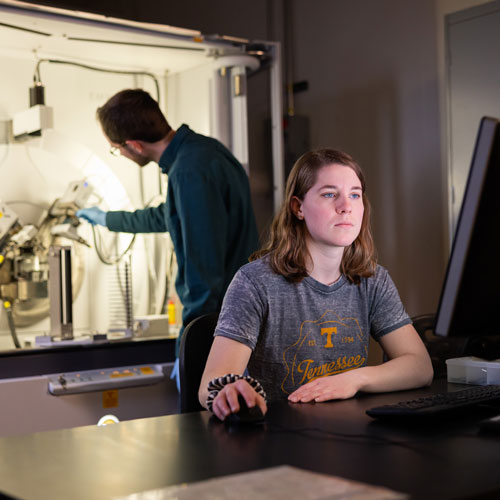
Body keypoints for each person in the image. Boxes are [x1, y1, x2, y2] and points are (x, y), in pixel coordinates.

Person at [199, 148, 433, 421]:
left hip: (350, 433)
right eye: (330, 194)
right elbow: (209, 387)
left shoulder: (373, 279)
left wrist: (353, 380)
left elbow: (420, 366)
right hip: (281, 436)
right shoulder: (254, 282)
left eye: (355, 195)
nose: (346, 206)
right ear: (298, 207)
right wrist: (230, 391)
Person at [76, 88, 259, 364]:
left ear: (135, 145)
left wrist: (189, 346)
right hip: (235, 320)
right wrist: (107, 219)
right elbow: (169, 216)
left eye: (117, 150)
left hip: (219, 331)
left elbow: (203, 273)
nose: (121, 154)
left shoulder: (188, 172)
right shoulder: (204, 150)